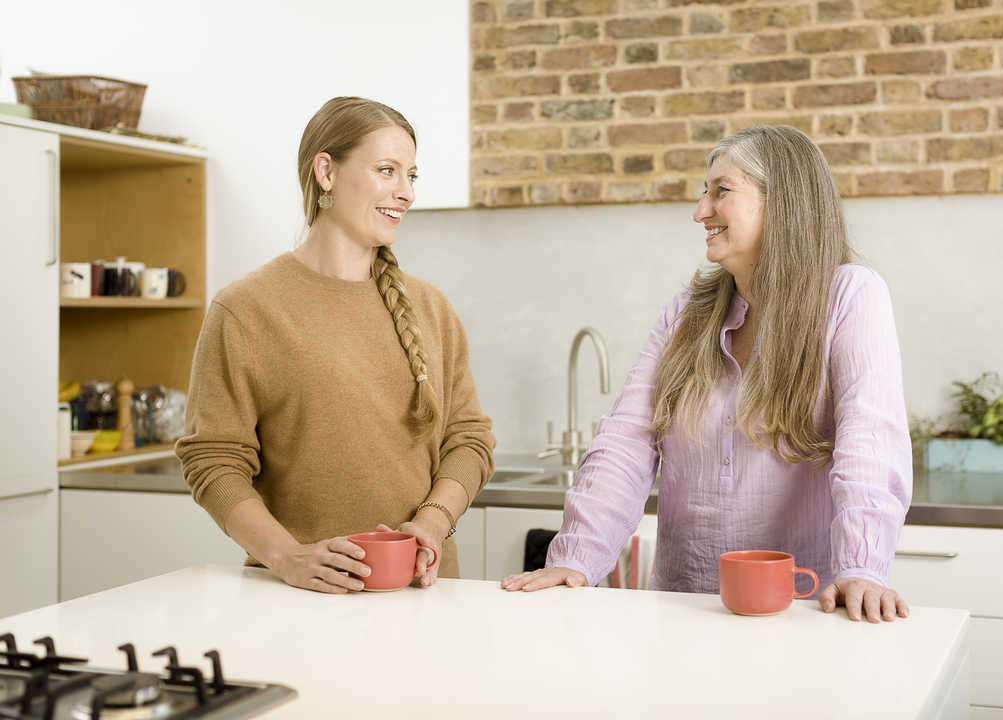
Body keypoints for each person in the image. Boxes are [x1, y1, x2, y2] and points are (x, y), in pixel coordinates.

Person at [502, 126, 913, 623]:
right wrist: (574, 559)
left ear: (782, 202)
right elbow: (625, 443)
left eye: (721, 191)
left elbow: (870, 440)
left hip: (805, 611)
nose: (701, 211)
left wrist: (863, 566)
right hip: (683, 607)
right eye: (704, 193)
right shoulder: (686, 315)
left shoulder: (849, 296)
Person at [177, 97, 495, 594]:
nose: (405, 192)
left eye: (412, 175)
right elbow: (214, 461)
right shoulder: (246, 309)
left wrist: (432, 523)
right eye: (387, 170)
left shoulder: (431, 308)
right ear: (326, 171)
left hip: (424, 597)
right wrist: (287, 557)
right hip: (296, 600)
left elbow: (468, 439)